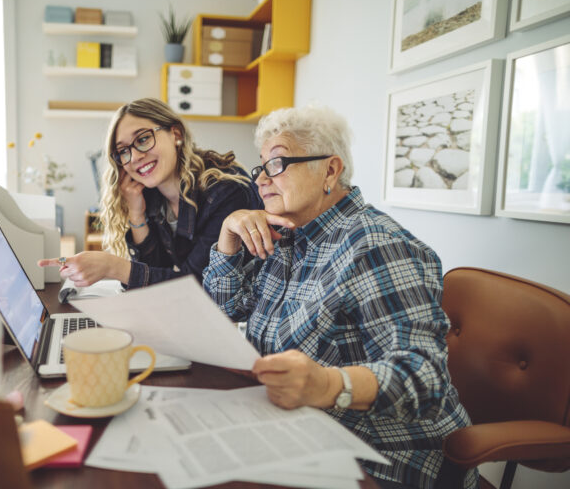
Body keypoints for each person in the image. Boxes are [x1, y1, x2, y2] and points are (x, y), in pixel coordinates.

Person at [202, 104, 477, 489]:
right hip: (300, 431)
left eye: (277, 164)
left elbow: (425, 376)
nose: (262, 180)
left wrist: (329, 385)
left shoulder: (376, 245)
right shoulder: (290, 234)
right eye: (261, 167)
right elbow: (225, 308)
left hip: (380, 460)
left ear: (330, 170)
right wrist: (227, 239)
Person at [39, 98, 262, 288]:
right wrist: (136, 215)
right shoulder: (152, 195)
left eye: (143, 139)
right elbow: (157, 272)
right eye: (123, 151)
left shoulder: (225, 192)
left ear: (175, 134)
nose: (134, 157)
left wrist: (112, 267)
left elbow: (197, 286)